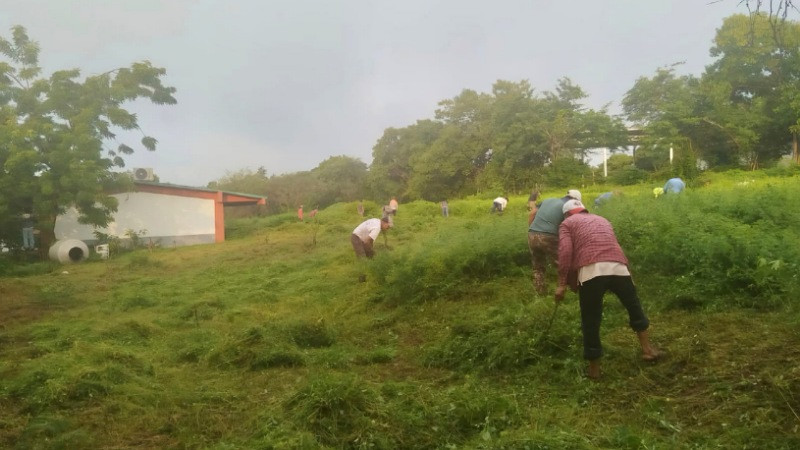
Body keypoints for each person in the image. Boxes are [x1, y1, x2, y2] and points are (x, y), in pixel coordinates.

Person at [555, 199, 661, 379]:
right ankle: (648, 350)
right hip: (618, 266)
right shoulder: (603, 219)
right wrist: (629, 273)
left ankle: (594, 371)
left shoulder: (567, 223)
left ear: (566, 214)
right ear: (584, 210)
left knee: (591, 319)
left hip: (591, 271)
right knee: (634, 307)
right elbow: (615, 245)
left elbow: (565, 252)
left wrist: (561, 284)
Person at [527, 189, 581, 295]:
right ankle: (573, 290)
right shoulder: (569, 206)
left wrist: (533, 230)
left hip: (532, 234)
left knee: (538, 265)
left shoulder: (549, 200)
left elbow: (532, 213)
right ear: (576, 200)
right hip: (549, 236)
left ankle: (540, 292)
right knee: (563, 263)